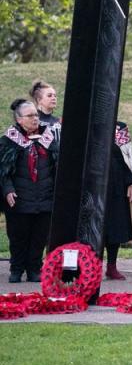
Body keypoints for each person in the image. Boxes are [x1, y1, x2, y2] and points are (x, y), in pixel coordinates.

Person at [1, 99, 58, 283]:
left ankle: (34, 269)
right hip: (19, 199)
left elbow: (58, 166)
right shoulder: (9, 140)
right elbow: (2, 170)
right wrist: (8, 189)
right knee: (18, 237)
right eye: (30, 115)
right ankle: (16, 269)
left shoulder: (48, 138)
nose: (35, 119)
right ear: (19, 119)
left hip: (45, 197)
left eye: (36, 114)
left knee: (39, 237)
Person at [103, 121, 132, 280]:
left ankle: (112, 266)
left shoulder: (113, 145)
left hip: (116, 193)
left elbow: (124, 166)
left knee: (115, 230)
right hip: (96, 194)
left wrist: (130, 183)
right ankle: (93, 265)